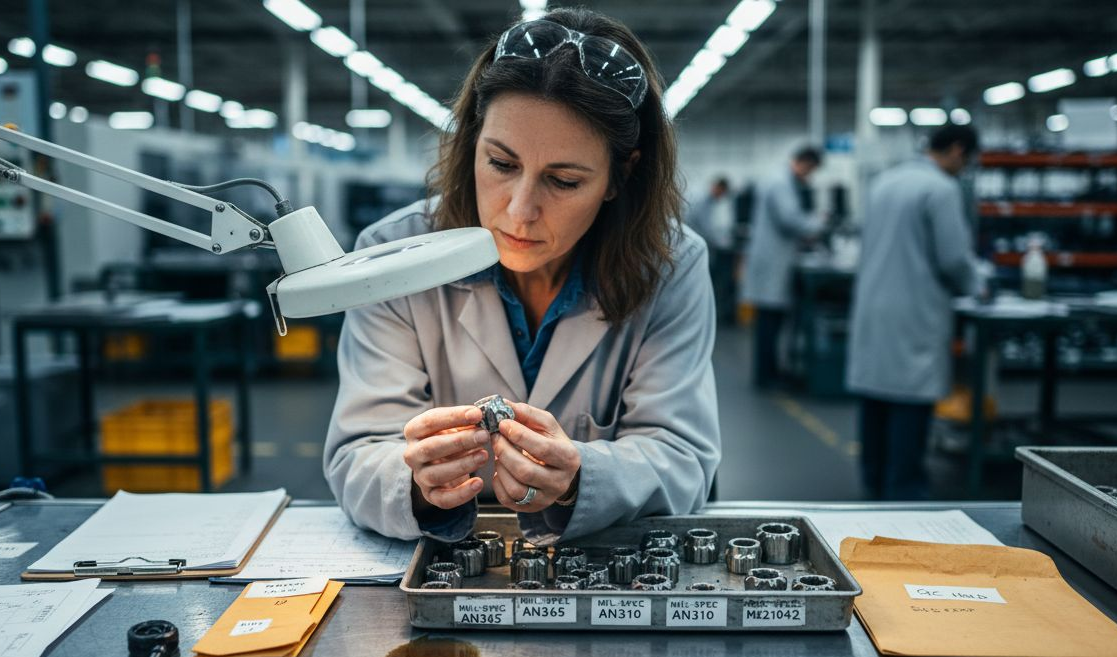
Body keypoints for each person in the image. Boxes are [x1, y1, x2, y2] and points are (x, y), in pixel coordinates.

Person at [323, 8, 720, 545]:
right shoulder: (391, 256)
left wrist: (581, 478)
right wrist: (413, 483)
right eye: (502, 164)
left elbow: (681, 456)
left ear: (619, 176)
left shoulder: (671, 265)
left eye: (563, 180)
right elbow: (359, 452)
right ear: (472, 143)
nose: (520, 211)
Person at [845, 124, 984, 501]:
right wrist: (979, 286)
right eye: (967, 160)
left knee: (876, 397)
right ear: (957, 150)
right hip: (915, 311)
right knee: (910, 397)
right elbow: (953, 259)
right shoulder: (940, 189)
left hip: (874, 307)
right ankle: (904, 492)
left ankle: (873, 482)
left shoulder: (884, 182)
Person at [743, 146, 824, 386]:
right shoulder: (780, 183)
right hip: (773, 262)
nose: (809, 177)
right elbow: (791, 220)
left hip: (773, 260)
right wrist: (818, 222)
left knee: (771, 321)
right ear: (805, 163)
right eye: (810, 170)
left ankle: (770, 372)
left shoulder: (780, 180)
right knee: (769, 321)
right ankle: (767, 376)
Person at [688, 177, 737, 324]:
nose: (721, 197)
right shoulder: (702, 201)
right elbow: (706, 228)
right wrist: (723, 242)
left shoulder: (707, 201)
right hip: (696, 249)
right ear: (718, 188)